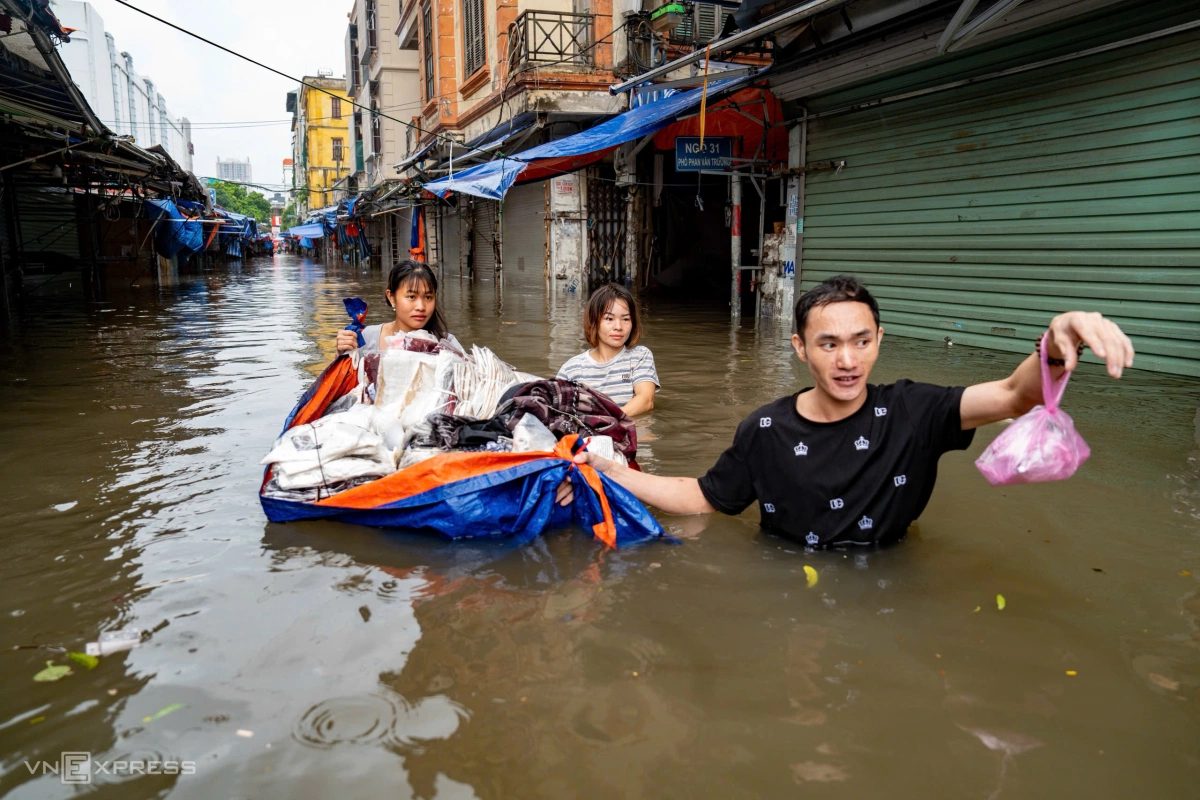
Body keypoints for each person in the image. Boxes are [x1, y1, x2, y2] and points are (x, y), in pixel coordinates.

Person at [556, 275, 1135, 548]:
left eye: (861, 341)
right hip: (784, 584)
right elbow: (704, 497)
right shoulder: (765, 429)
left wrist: (1058, 342)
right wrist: (611, 472)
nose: (847, 360)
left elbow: (1015, 396)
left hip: (892, 580)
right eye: (828, 344)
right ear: (800, 348)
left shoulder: (915, 411)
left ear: (879, 340)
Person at [557, 283, 660, 417]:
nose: (618, 326)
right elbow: (558, 411)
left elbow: (646, 401)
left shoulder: (639, 356)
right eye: (609, 319)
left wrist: (608, 423)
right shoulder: (571, 369)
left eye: (626, 319)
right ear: (594, 321)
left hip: (633, 434)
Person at [336, 261, 452, 353]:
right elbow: (343, 379)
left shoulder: (447, 344)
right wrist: (341, 354)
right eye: (411, 297)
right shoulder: (366, 338)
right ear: (391, 297)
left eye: (428, 297)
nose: (421, 307)